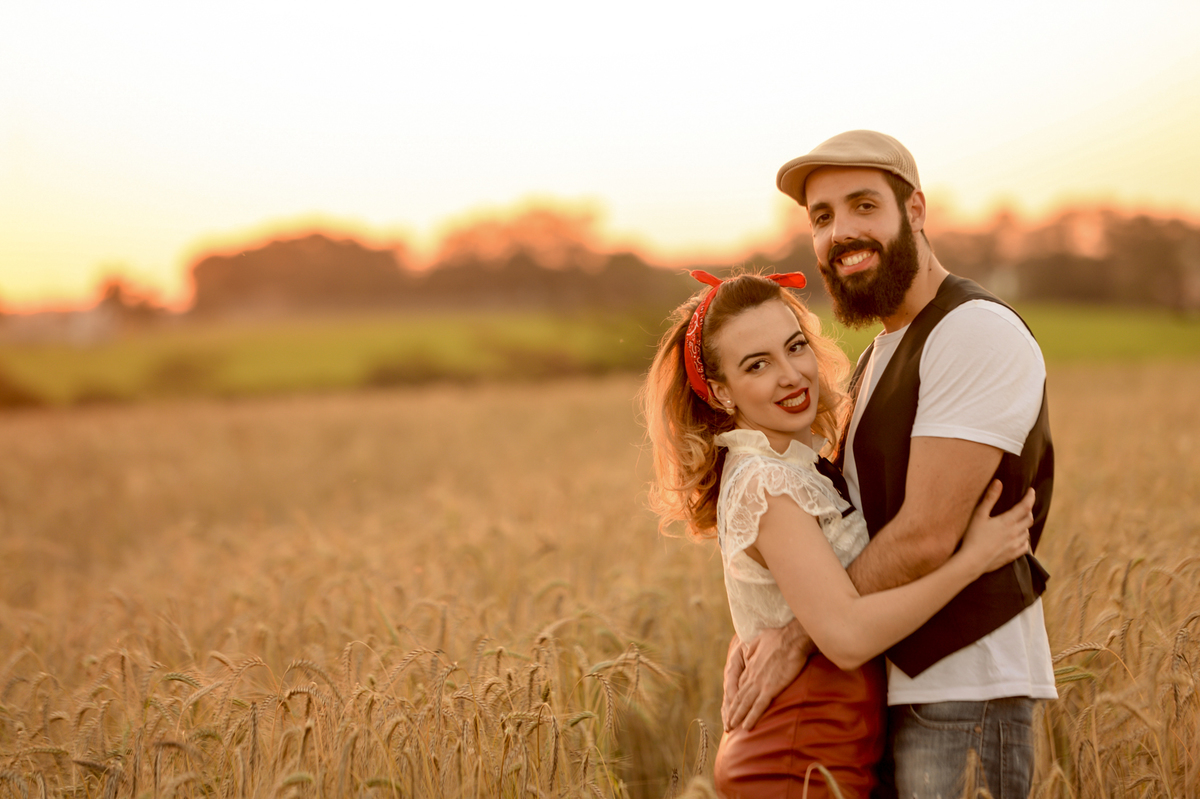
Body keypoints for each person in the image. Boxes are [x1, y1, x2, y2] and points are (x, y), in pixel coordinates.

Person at [722, 130, 1056, 799]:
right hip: (883, 695)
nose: (841, 230)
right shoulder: (878, 356)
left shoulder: (972, 330)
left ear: (916, 210)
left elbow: (927, 534)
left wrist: (799, 634)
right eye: (822, 217)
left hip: (964, 689)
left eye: (863, 205)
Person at [641, 270, 1036, 797]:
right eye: (757, 365)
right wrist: (972, 560)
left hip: (827, 747)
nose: (791, 375)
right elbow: (846, 638)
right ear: (721, 392)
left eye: (795, 346)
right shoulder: (768, 483)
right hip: (797, 759)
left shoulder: (792, 466)